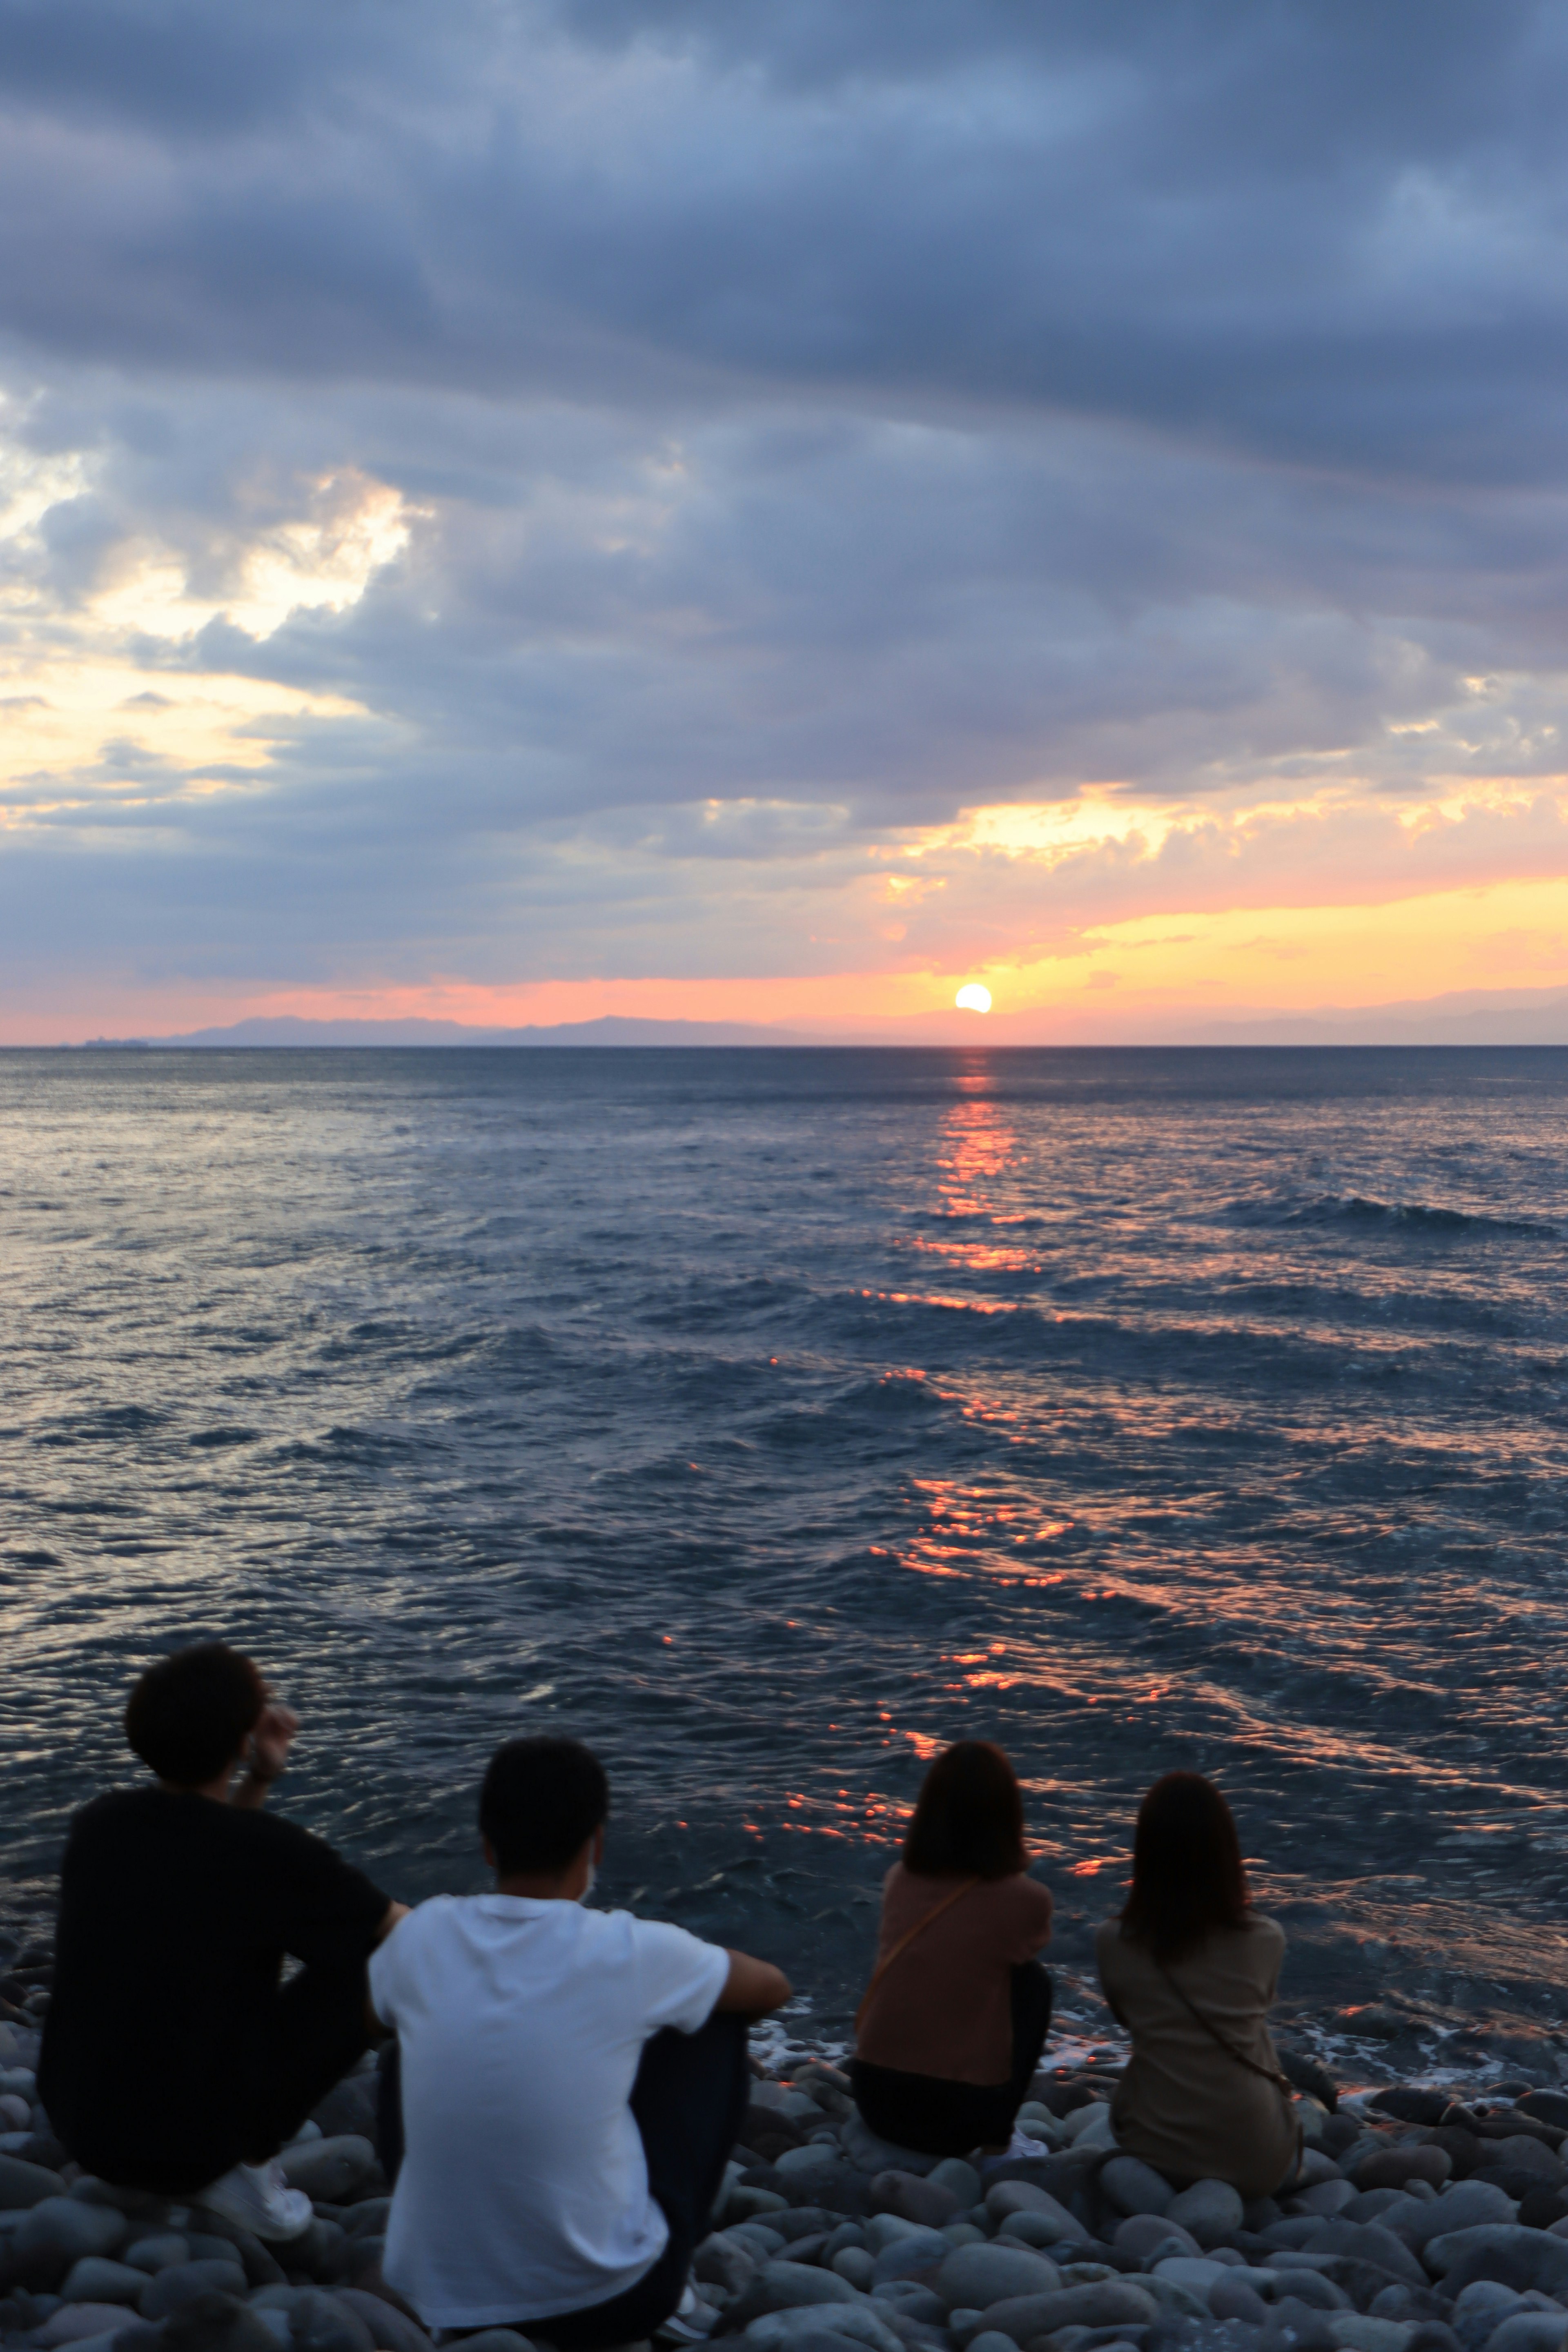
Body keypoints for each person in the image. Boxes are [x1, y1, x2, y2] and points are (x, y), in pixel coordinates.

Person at [368, 1735, 791, 2348]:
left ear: (488, 1846)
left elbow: (370, 2015)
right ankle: (674, 2275)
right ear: (596, 1843)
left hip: (442, 2297)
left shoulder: (422, 1934)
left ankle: (452, 2228)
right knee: (714, 2016)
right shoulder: (630, 1949)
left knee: (406, 2038)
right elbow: (771, 1989)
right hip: (614, 2301)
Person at [40, 1642, 405, 2239]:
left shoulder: (99, 1824)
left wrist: (259, 1777)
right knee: (384, 1959)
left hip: (82, 2126)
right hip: (188, 2150)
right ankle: (247, 2166)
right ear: (241, 1739)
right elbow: (403, 1931)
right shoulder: (271, 1853)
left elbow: (221, 1863)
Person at [1095, 1771, 1300, 2197]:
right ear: (1226, 1852)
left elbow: (1130, 2020)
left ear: (1145, 1854)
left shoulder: (1114, 1942)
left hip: (1156, 2146)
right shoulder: (1266, 1938)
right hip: (1255, 2157)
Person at [850, 1739, 1054, 2162]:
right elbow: (1016, 1958)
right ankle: (1001, 2143)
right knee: (1032, 1983)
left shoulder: (898, 1879)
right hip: (958, 2121)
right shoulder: (1028, 1899)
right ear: (1006, 1815)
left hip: (874, 2099)